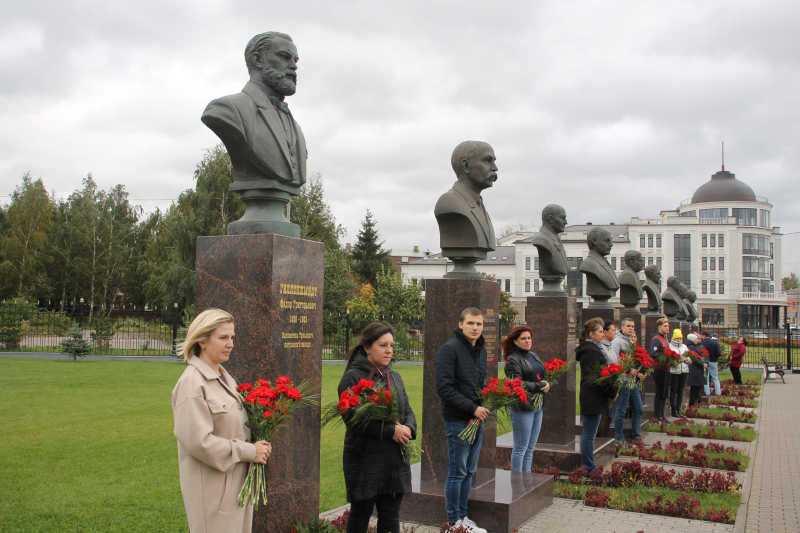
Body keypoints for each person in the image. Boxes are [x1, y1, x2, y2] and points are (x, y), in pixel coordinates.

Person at [172, 309, 272, 533]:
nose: (230, 344)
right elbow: (199, 443)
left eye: (232, 338)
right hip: (213, 493)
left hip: (234, 487)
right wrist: (248, 451)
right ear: (202, 341)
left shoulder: (224, 377)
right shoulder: (192, 383)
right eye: (223, 337)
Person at [339, 323, 417, 533]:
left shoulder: (395, 377)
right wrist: (392, 431)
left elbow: (407, 409)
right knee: (361, 512)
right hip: (366, 457)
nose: (389, 350)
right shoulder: (353, 377)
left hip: (395, 458)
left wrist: (409, 428)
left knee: (391, 513)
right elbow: (353, 419)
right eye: (383, 345)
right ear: (367, 347)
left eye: (391, 345)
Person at [436, 308, 490, 533]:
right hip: (458, 419)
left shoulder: (481, 349)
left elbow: (477, 384)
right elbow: (444, 389)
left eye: (479, 323)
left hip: (477, 418)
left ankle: (463, 518)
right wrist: (473, 408)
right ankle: (452, 522)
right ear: (460, 324)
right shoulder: (449, 349)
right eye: (470, 323)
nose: (475, 327)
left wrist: (490, 397)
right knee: (457, 472)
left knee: (469, 471)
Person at [502, 325, 550, 473]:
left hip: (538, 405)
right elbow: (517, 383)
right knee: (521, 447)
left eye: (529, 338)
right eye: (523, 338)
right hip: (522, 406)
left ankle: (526, 478)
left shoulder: (534, 356)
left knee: (530, 447)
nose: (527, 341)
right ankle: (517, 482)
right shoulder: (512, 360)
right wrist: (540, 385)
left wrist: (549, 384)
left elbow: (545, 376)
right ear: (515, 341)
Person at [575, 317, 617, 471]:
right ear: (591, 334)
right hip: (592, 397)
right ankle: (588, 465)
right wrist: (611, 392)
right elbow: (599, 376)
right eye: (600, 332)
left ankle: (589, 464)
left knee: (590, 433)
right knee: (589, 434)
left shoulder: (593, 349)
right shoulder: (590, 351)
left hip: (595, 396)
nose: (603, 334)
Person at [610, 318, 647, 446]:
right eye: (628, 326)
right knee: (621, 410)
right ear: (622, 327)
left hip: (632, 381)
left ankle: (636, 437)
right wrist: (628, 369)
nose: (631, 328)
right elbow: (614, 360)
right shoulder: (617, 341)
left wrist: (640, 368)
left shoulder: (631, 341)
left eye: (632, 326)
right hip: (623, 380)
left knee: (638, 409)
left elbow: (635, 359)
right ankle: (619, 438)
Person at [597, 320, 618, 438]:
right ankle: (600, 442)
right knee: (604, 416)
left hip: (612, 385)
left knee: (609, 415)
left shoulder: (610, 347)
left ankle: (604, 442)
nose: (615, 333)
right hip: (606, 385)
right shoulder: (602, 348)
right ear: (605, 332)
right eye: (613, 330)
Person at [649, 317, 672, 423]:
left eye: (668, 326)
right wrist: (664, 358)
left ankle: (662, 416)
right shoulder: (657, 339)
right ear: (659, 327)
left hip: (666, 368)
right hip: (659, 369)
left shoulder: (665, 339)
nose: (667, 328)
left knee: (665, 393)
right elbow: (653, 353)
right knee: (660, 393)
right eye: (665, 326)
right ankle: (658, 416)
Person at [668, 329, 690, 418]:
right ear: (673, 338)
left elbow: (690, 358)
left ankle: (678, 409)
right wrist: (675, 360)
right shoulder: (670, 346)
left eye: (680, 338)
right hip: (674, 371)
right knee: (673, 391)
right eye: (677, 338)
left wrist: (686, 359)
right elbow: (668, 359)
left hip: (684, 371)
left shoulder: (684, 347)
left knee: (680, 391)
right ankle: (673, 410)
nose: (679, 340)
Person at [685, 333, 707, 406]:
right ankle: (692, 403)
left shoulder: (691, 346)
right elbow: (696, 358)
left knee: (696, 387)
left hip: (694, 369)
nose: (697, 341)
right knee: (695, 387)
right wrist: (702, 364)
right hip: (695, 369)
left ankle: (694, 402)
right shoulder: (692, 347)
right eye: (695, 339)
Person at [700, 331, 722, 395]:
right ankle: (718, 392)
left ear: (704, 335)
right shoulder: (715, 343)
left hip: (705, 362)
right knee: (715, 377)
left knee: (706, 378)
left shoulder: (702, 343)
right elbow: (718, 353)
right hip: (713, 361)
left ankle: (707, 393)